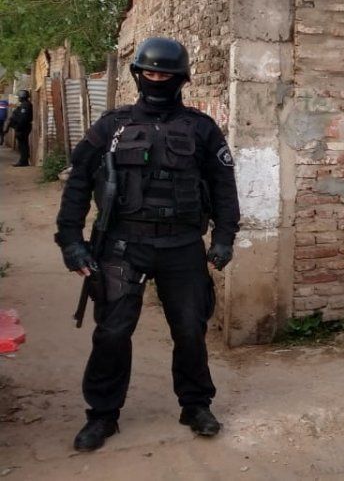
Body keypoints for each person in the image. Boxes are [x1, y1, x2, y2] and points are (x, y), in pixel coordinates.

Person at [54, 37, 241, 452]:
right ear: (139, 75)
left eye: (166, 74)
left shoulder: (202, 128)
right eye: (150, 72)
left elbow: (224, 188)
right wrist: (70, 241)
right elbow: (79, 181)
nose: (157, 79)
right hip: (123, 245)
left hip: (183, 246)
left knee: (191, 331)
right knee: (112, 333)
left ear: (180, 78)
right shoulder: (111, 127)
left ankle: (195, 405)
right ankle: (102, 415)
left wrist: (225, 237)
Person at [7, 90, 33, 166]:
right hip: (22, 128)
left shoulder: (25, 105)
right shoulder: (24, 104)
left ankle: (23, 161)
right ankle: (23, 160)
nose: (18, 98)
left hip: (23, 128)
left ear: (22, 97)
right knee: (22, 145)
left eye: (19, 97)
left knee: (23, 145)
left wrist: (18, 127)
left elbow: (23, 118)